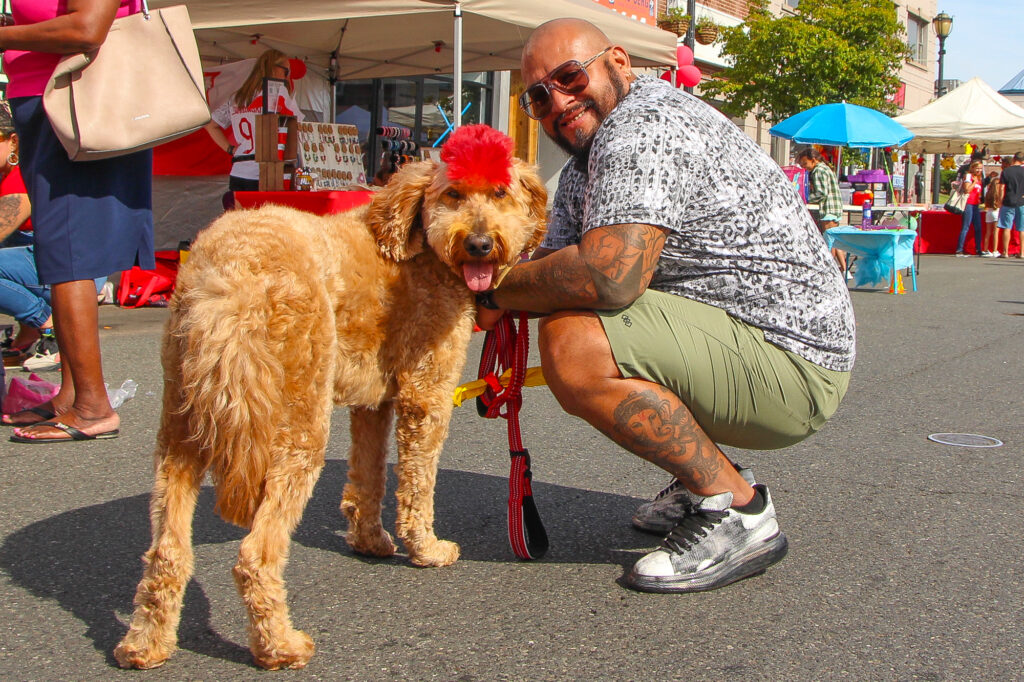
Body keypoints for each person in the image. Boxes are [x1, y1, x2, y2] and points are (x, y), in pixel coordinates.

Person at [476, 19, 855, 593]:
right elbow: (550, 268)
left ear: (618, 62)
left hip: (794, 365)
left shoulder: (644, 125)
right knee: (569, 313)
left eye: (570, 76)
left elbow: (608, 275)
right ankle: (704, 479)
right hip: (742, 339)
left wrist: (494, 290)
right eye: (538, 96)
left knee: (574, 342)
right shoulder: (585, 161)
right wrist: (488, 289)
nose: (558, 101)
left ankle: (738, 510)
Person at [0, 0, 154, 440]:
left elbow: (87, 28)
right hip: (54, 98)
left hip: (75, 99)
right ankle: (72, 396)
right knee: (61, 250)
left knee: (69, 251)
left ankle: (92, 406)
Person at [205, 49, 304, 202]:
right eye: (286, 72)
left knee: (239, 217)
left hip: (239, 170)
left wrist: (230, 149)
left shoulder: (237, 97)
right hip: (265, 173)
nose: (287, 77)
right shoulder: (278, 94)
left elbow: (211, 125)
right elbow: (300, 127)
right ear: (274, 69)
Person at [796, 147, 848, 277]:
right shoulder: (825, 168)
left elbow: (821, 192)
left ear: (813, 160)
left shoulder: (818, 171)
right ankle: (844, 269)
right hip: (834, 207)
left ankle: (829, 270)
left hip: (828, 208)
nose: (804, 167)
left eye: (805, 163)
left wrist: (805, 199)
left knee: (829, 240)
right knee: (835, 240)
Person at [996, 152, 1024, 259]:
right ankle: (1022, 252)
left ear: (1013, 159)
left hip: (1008, 201)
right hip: (1021, 201)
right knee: (1021, 228)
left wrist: (1000, 200)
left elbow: (1002, 187)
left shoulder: (1006, 171)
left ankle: (1005, 252)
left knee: (1007, 227)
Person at [955, 160, 984, 257]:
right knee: (966, 226)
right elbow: (967, 189)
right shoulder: (969, 176)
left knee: (978, 227)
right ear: (973, 168)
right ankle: (959, 249)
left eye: (980, 168)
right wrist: (974, 182)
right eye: (977, 168)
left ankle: (978, 248)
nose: (979, 170)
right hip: (968, 203)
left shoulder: (979, 178)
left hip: (975, 204)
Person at [981, 167, 1004, 257]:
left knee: (988, 232)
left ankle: (985, 249)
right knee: (996, 232)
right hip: (996, 212)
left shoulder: (989, 193)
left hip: (989, 212)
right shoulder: (999, 194)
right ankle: (995, 250)